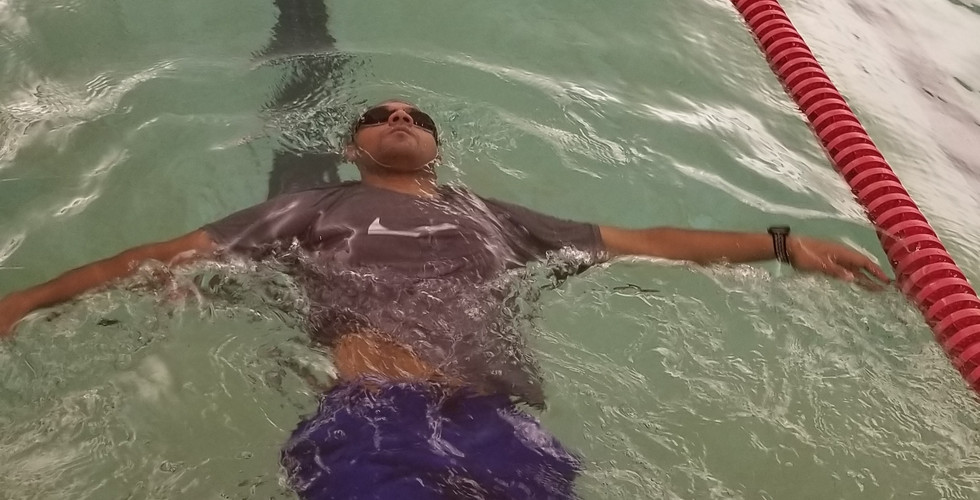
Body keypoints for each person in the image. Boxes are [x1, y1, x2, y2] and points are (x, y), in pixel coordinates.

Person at [0, 100, 891, 499]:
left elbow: (647, 242)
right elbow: (159, 257)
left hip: (501, 422)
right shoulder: (310, 207)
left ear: (434, 148)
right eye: (380, 115)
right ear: (352, 148)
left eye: (415, 117)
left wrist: (782, 245)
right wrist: (21, 303)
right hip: (372, 412)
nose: (398, 119)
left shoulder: (499, 217)